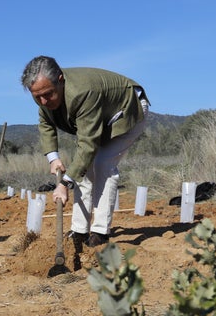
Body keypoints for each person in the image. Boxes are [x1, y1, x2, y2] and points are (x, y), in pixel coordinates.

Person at [21, 55, 150, 248]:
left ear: (60, 80)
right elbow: (46, 124)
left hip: (127, 109)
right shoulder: (44, 98)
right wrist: (53, 158)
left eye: (48, 94)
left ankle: (100, 232)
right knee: (83, 169)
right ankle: (79, 230)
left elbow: (88, 144)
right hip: (103, 118)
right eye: (36, 97)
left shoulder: (83, 92)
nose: (43, 101)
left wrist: (65, 183)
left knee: (102, 164)